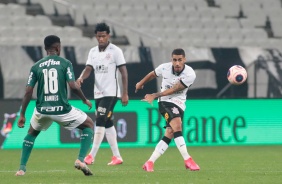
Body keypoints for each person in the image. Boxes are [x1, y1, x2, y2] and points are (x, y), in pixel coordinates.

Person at [15, 35, 94, 176]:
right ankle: (81, 160)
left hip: (42, 110)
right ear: (58, 48)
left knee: (31, 134)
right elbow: (73, 86)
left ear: (45, 49)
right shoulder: (65, 63)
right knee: (88, 125)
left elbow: (28, 91)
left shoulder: (36, 66)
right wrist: (84, 100)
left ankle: (21, 169)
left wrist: (22, 114)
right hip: (61, 109)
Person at [135, 48, 200, 172]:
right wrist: (140, 83)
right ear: (171, 60)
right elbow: (152, 74)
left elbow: (175, 89)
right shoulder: (164, 68)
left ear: (184, 60)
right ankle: (188, 160)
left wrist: (154, 95)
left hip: (180, 104)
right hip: (165, 102)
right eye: (174, 60)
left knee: (170, 133)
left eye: (180, 60)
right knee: (177, 125)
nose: (177, 63)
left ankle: (149, 162)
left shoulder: (190, 74)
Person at [76, 22, 128, 166]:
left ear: (108, 36)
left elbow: (124, 72)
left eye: (103, 36)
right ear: (96, 36)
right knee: (108, 122)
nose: (101, 39)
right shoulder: (93, 52)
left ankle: (91, 156)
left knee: (99, 119)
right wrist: (81, 77)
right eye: (99, 36)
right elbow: (88, 69)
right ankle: (117, 156)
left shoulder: (115, 51)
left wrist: (125, 93)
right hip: (98, 93)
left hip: (111, 93)